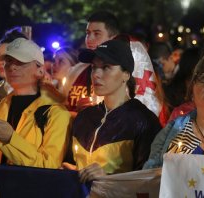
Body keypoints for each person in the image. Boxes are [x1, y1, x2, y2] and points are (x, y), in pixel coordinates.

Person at [63, 40, 161, 182]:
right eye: (93, 67)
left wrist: (108, 179)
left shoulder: (144, 121)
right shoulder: (84, 117)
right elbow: (70, 163)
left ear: (126, 74)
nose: (96, 74)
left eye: (106, 67)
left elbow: (149, 181)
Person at [0, 38, 71, 169]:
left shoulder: (56, 113)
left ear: (40, 71)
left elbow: (49, 166)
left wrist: (10, 139)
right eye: (8, 62)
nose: (12, 67)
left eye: (20, 62)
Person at [62, 11, 119, 115]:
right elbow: (62, 104)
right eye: (88, 33)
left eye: (97, 34)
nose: (89, 39)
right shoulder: (75, 70)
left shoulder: (120, 75)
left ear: (113, 38)